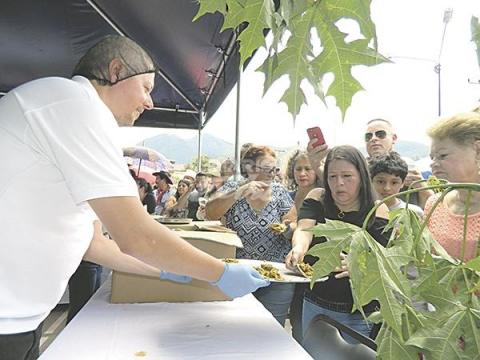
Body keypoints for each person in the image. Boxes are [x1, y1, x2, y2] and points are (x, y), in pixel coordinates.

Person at [0, 35, 268, 360]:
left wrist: (165, 272)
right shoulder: (74, 104)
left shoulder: (69, 111)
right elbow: (135, 235)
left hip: (20, 319)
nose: (150, 102)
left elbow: (94, 244)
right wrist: (218, 272)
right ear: (116, 71)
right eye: (146, 87)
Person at [285, 145, 390, 342]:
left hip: (358, 312)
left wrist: (359, 267)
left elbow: (385, 260)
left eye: (347, 176)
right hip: (314, 302)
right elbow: (304, 229)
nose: (339, 183)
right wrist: (299, 248)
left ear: (361, 176)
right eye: (332, 177)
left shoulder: (378, 210)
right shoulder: (317, 197)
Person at [205, 145, 297, 326]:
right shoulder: (233, 186)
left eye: (275, 169)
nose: (272, 174)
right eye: (267, 169)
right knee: (235, 326)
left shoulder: (279, 192)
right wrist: (238, 193)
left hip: (275, 275)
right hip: (238, 273)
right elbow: (210, 212)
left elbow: (292, 222)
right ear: (250, 169)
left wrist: (287, 228)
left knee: (272, 329)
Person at [425, 112, 480, 262]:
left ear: (478, 151)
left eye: (442, 155)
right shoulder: (435, 204)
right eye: (432, 157)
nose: (433, 163)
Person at [283, 149, 320, 342]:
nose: (302, 173)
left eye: (308, 168)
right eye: (298, 169)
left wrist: (295, 226)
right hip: (289, 264)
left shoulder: (323, 198)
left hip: (313, 268)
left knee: (302, 317)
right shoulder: (287, 195)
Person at [364, 118, 434, 209]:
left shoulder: (408, 166)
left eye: (380, 134)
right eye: (368, 136)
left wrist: (421, 185)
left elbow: (432, 208)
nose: (373, 139)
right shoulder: (359, 169)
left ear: (393, 138)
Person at [369, 152, 424, 217]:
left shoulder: (414, 212)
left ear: (402, 183)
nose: (387, 188)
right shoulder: (363, 211)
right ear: (371, 181)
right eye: (381, 181)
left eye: (394, 182)